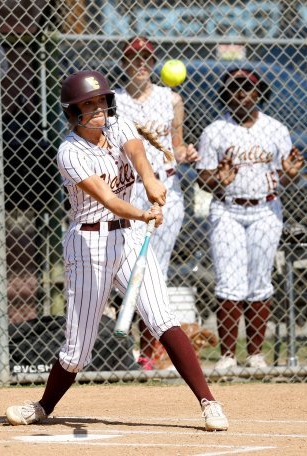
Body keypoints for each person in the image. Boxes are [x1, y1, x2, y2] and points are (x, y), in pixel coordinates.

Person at [5, 70, 228, 431]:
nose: (96, 110)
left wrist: (151, 180)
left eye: (100, 102)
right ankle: (43, 406)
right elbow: (107, 199)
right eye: (86, 105)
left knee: (162, 318)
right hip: (88, 244)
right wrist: (144, 211)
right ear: (73, 112)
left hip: (129, 239)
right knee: (77, 352)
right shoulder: (70, 153)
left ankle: (209, 403)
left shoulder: (118, 125)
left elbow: (137, 155)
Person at [196, 68, 304, 370]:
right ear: (225, 94)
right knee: (229, 282)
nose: (241, 93)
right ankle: (228, 356)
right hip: (227, 209)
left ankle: (255, 354)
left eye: (248, 88)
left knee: (259, 279)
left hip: (265, 210)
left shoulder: (275, 129)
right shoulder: (214, 131)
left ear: (259, 93)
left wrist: (291, 176)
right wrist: (219, 180)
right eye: (234, 88)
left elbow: (285, 172)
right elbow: (203, 177)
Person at [114, 36, 200, 370]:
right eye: (133, 57)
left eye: (146, 58)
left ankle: (149, 353)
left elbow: (175, 147)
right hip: (126, 193)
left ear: (154, 63)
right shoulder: (115, 102)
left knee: (154, 272)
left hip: (165, 193)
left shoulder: (171, 99)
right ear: (123, 62)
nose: (139, 63)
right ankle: (128, 349)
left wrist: (186, 154)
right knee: (127, 270)